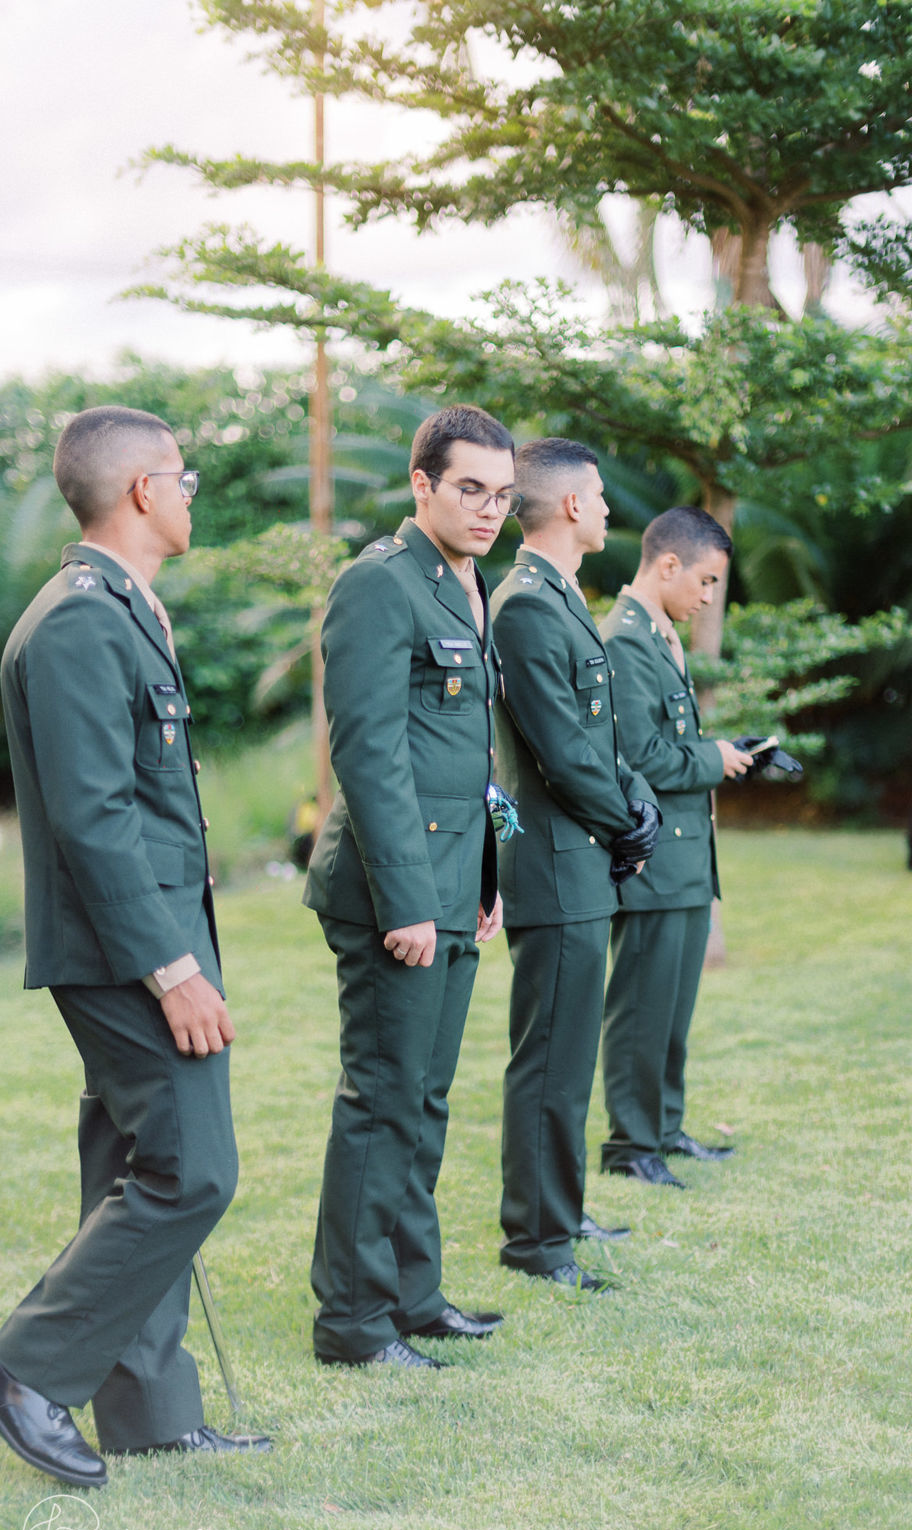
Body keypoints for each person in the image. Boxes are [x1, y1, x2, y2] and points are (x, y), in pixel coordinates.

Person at [0, 405, 270, 1492]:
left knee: (133, 1162)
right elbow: (93, 815)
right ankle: (24, 1369)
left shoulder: (123, 607)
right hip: (124, 951)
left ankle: (151, 1411)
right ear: (143, 490)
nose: (195, 493)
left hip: (144, 935)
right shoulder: (76, 621)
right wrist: (173, 968)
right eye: (187, 476)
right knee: (194, 1170)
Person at [304, 403, 512, 1368]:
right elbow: (370, 752)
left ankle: (413, 1296)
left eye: (505, 495)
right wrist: (412, 903)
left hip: (452, 886)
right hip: (397, 895)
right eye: (471, 488)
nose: (489, 510)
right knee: (383, 1098)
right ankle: (352, 1322)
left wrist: (481, 879)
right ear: (422, 484)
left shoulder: (470, 585)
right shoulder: (380, 586)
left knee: (424, 1100)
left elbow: (464, 754)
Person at [490, 437, 660, 1291]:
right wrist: (625, 820)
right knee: (550, 1058)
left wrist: (635, 798)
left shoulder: (558, 596)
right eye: (595, 495)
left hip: (582, 857)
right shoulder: (523, 604)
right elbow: (559, 751)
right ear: (565, 507)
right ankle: (536, 1242)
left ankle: (563, 1209)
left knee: (568, 1057)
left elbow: (599, 739)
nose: (604, 509)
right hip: (556, 863)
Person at [599, 506, 752, 1188]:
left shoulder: (660, 635)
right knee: (642, 1008)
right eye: (707, 581)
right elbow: (640, 755)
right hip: (655, 858)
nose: (709, 597)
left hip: (687, 859)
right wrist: (715, 758)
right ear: (667, 565)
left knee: (673, 1007)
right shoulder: (627, 640)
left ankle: (663, 1127)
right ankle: (630, 1144)